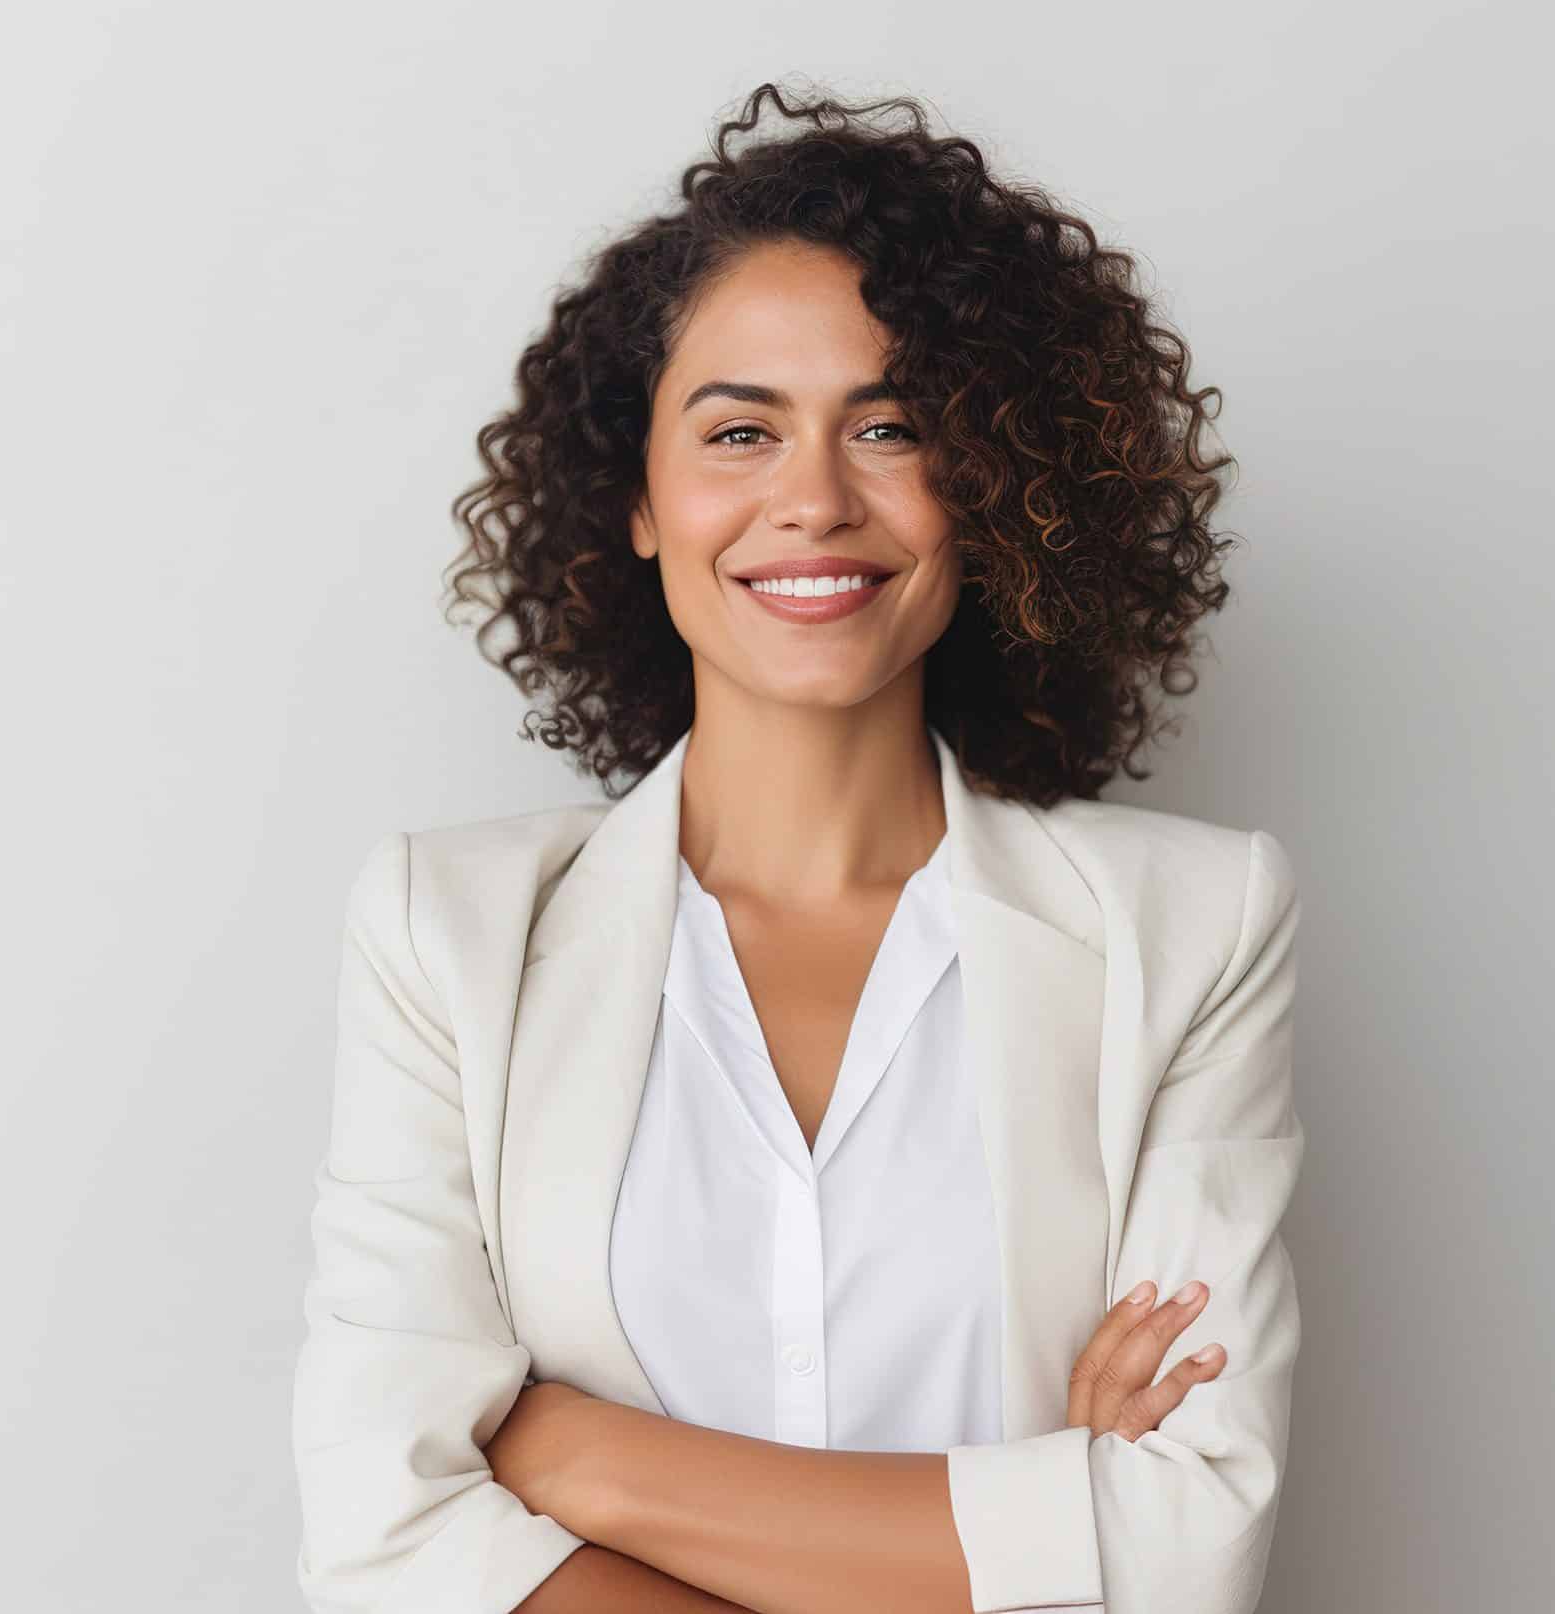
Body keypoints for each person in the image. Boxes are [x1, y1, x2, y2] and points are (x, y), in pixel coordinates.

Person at [296, 82, 1304, 1614]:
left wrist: (582, 1464)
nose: (815, 499)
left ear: (996, 490)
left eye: (890, 426)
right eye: (740, 429)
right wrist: (1043, 1513)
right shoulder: (452, 930)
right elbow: (383, 1543)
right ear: (636, 496)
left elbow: (1184, 1549)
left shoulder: (1193, 927)